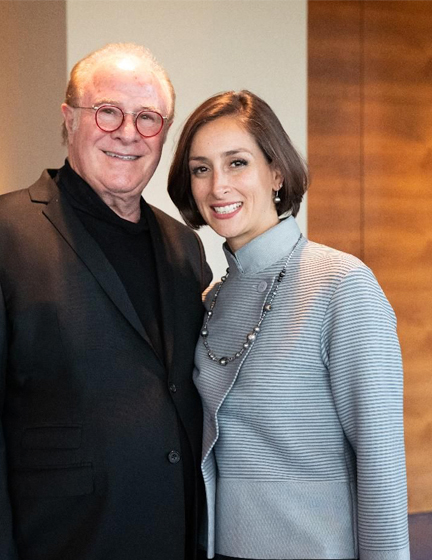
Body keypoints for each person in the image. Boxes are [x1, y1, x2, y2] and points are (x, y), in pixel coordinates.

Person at [0, 43, 212, 560]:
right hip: (63, 544)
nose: (128, 132)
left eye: (148, 118)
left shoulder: (185, 247)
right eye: (108, 112)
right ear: (69, 119)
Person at [168, 90, 409, 560]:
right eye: (201, 168)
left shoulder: (342, 285)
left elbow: (380, 461)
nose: (218, 185)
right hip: (221, 548)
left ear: (276, 172)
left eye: (237, 163)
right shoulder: (211, 298)